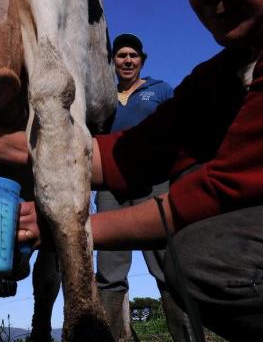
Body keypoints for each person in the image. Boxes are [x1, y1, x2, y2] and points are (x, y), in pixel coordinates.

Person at [17, 0, 263, 340]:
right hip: (122, 194)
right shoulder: (232, 68)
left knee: (207, 258)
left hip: (160, 196)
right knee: (117, 272)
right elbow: (127, 155)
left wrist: (66, 228)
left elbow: (221, 192)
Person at [96, 33, 192, 342]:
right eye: (121, 55)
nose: (126, 60)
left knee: (168, 268)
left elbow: (181, 130)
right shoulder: (103, 96)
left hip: (154, 185)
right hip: (111, 188)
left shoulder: (160, 90)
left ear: (141, 61)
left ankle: (186, 336)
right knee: (110, 274)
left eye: (132, 55)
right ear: (113, 61)